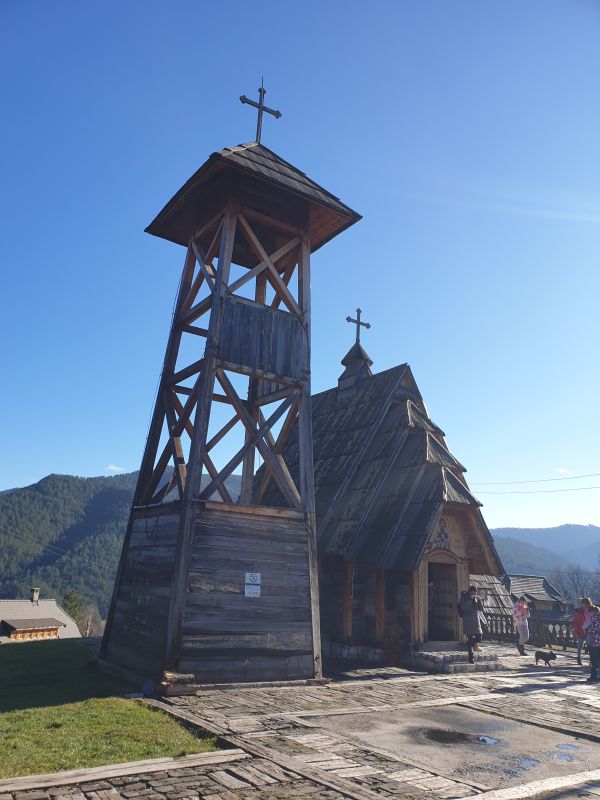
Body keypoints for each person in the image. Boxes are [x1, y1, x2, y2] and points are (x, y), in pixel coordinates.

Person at [458, 585, 485, 664]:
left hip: (476, 621)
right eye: (473, 593)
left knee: (479, 637)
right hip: (468, 621)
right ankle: (471, 658)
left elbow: (481, 609)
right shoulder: (464, 597)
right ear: (470, 592)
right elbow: (463, 607)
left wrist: (479, 601)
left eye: (475, 593)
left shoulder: (476, 599)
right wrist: (470, 599)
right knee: (470, 639)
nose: (474, 594)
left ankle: (472, 645)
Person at [582, 603, 600, 684]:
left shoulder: (594, 619)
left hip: (594, 642)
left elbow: (593, 630)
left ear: (592, 612)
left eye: (589, 612)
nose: (588, 614)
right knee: (597, 659)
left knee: (594, 659)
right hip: (597, 642)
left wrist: (585, 628)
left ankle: (594, 676)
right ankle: (596, 675)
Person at [573, 598, 590, 666]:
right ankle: (579, 658)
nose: (584, 605)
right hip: (581, 631)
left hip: (589, 632)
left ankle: (592, 660)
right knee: (580, 646)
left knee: (591, 647)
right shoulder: (578, 611)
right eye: (583, 603)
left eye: (585, 603)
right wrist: (575, 631)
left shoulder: (591, 610)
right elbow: (575, 622)